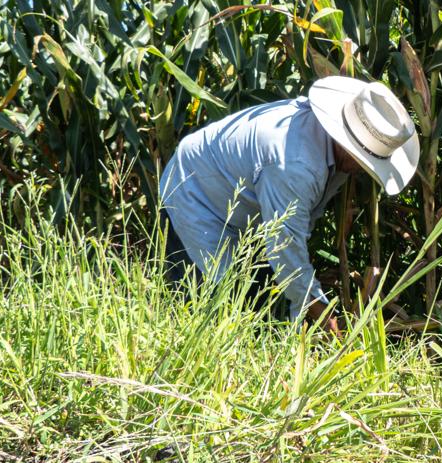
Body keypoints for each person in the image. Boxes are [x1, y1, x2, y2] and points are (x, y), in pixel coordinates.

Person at [158, 76, 419, 335]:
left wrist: (306, 303)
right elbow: (284, 244)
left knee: (252, 306)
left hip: (240, 209)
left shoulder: (333, 153)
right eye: (365, 162)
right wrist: (321, 310)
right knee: (213, 314)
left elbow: (297, 225)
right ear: (350, 146)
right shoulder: (296, 164)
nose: (364, 171)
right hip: (193, 194)